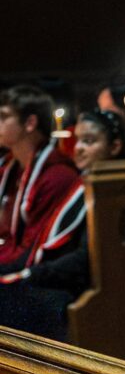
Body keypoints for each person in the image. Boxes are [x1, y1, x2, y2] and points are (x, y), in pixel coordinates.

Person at [0, 86, 87, 339]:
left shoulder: (56, 175)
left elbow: (34, 251)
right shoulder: (11, 167)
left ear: (30, 123)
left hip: (45, 278)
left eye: (4, 117)